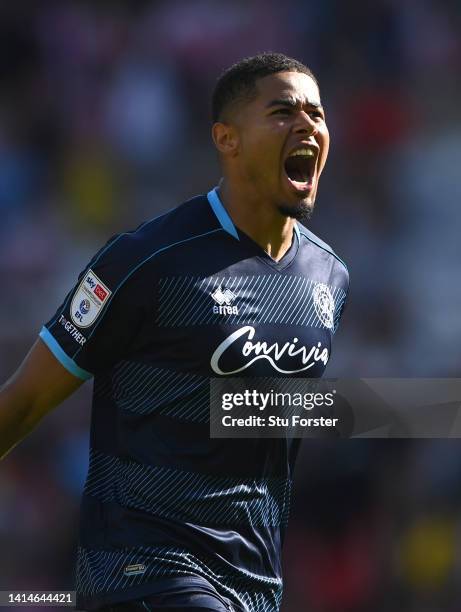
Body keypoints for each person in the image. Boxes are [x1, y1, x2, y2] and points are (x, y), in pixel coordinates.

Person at [0, 53, 349, 612]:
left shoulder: (330, 275)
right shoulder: (145, 261)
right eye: (284, 111)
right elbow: (24, 401)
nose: (308, 124)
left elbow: (254, 411)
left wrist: (429, 410)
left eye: (317, 113)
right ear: (227, 139)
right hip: (140, 572)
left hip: (254, 582)